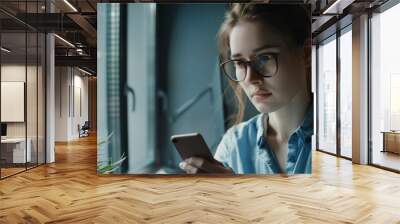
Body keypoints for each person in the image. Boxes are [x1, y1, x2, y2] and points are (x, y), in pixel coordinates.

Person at [179, 3, 313, 174]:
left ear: (306, 54)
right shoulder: (233, 145)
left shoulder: (340, 141)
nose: (250, 79)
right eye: (239, 63)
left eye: (265, 58)